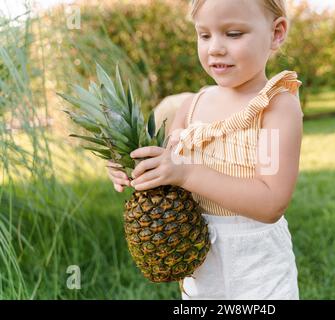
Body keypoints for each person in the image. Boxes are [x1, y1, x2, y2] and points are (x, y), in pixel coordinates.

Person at [107, 0, 303, 300]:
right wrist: (133, 166)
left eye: (233, 34)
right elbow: (166, 170)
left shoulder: (275, 107)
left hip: (258, 270)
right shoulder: (192, 106)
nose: (215, 48)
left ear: (276, 33)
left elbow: (271, 203)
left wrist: (186, 173)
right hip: (197, 260)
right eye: (204, 35)